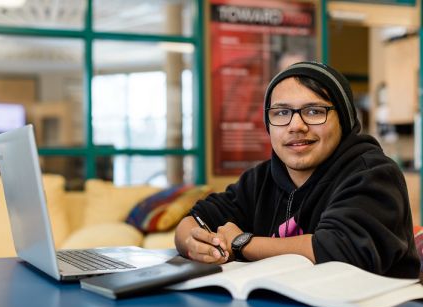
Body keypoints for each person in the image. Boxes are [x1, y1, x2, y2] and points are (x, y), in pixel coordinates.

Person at [174, 61, 420, 278]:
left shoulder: (373, 174)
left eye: (314, 111)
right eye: (281, 112)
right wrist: (192, 242)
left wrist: (241, 243)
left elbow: (339, 250)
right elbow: (195, 219)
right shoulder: (261, 179)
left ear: (344, 119)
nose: (296, 125)